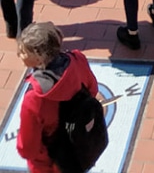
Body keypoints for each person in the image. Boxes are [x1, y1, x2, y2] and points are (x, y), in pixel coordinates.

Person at [16, 20, 99, 173]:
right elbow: (93, 89)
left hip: (50, 162)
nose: (18, 55)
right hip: (80, 147)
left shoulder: (35, 97)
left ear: (39, 57)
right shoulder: (78, 59)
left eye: (23, 52)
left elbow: (28, 149)